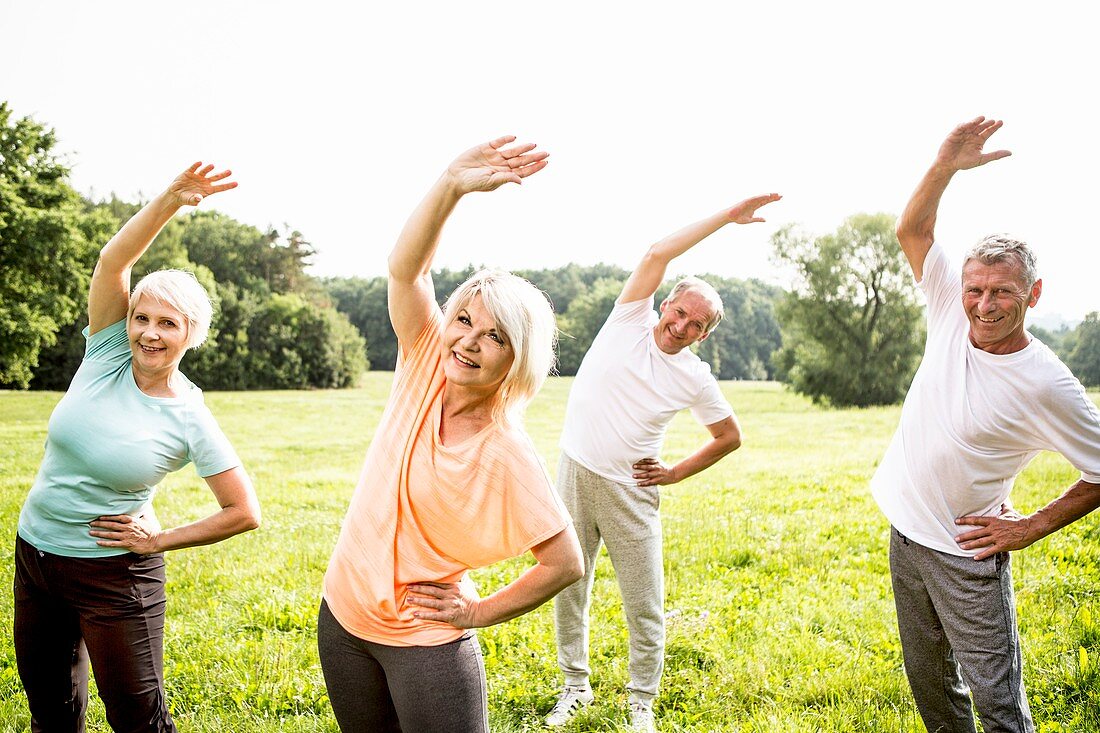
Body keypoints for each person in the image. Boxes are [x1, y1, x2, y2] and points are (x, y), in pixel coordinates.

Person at [318, 135, 584, 732]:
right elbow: (406, 268)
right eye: (463, 320)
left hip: (427, 644)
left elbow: (564, 562)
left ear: (517, 359)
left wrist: (478, 610)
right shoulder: (421, 364)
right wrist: (451, 185)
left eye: (494, 336)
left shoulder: (507, 451)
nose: (467, 341)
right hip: (341, 620)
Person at [14, 163, 262, 733]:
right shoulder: (105, 354)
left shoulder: (188, 414)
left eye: (168, 324)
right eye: (142, 318)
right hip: (37, 556)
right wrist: (169, 201)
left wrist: (160, 540)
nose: (150, 332)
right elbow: (113, 262)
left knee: (137, 719)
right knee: (51, 711)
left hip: (114, 576)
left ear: (190, 333)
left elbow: (244, 511)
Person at [874, 116, 1100, 733]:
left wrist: (1031, 526)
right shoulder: (950, 306)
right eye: (976, 289)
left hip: (966, 552)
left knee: (998, 704)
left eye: (1002, 292)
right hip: (906, 534)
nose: (983, 304)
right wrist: (944, 164)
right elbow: (912, 228)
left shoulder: (1046, 382)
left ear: (1033, 294)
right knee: (931, 690)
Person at [546, 194, 779, 731]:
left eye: (695, 324)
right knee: (566, 585)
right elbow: (656, 252)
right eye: (679, 312)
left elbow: (728, 437)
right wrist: (725, 218)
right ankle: (574, 687)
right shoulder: (628, 320)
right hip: (575, 473)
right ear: (664, 305)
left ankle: (640, 703)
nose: (681, 325)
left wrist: (674, 472)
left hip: (632, 492)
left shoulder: (695, 377)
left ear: (704, 334)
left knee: (644, 603)